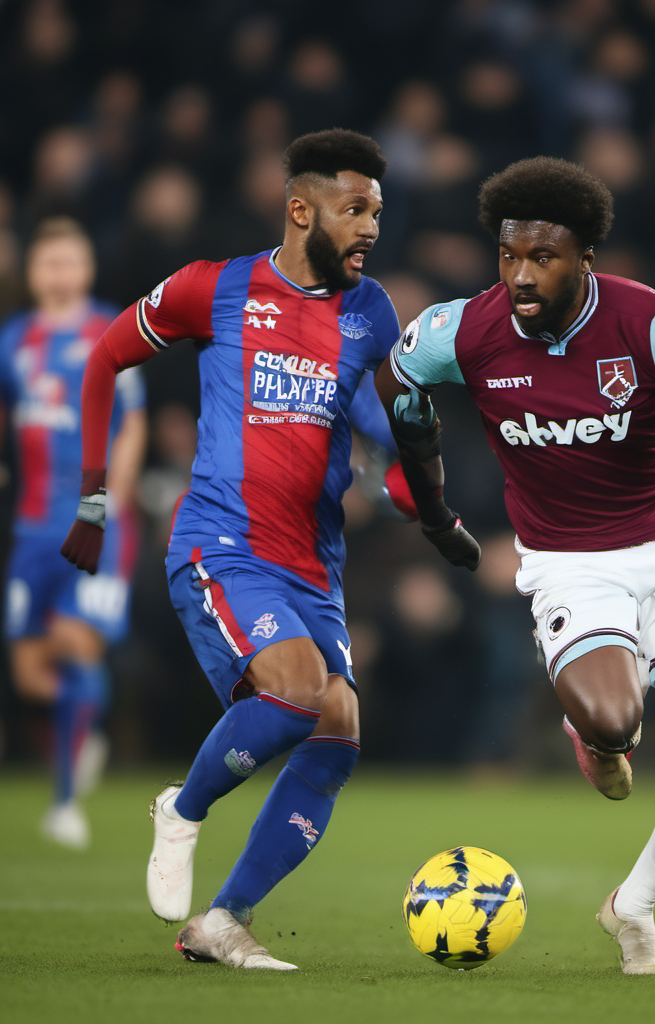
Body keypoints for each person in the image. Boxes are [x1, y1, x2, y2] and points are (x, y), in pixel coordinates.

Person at [376, 157, 655, 975]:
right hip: (568, 562)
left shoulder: (649, 320)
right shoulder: (460, 330)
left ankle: (633, 905)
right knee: (612, 720)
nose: (521, 275)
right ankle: (593, 729)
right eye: (509, 256)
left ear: (584, 258)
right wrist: (430, 496)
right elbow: (398, 385)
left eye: (543, 257)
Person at [61, 129, 401, 970]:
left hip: (314, 566)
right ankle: (182, 808)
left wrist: (403, 485)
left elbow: (370, 422)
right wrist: (94, 500)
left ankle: (224, 921)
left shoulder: (370, 311)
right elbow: (104, 360)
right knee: (296, 693)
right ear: (301, 210)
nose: (370, 226)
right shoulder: (212, 288)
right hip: (223, 544)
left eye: (377, 211)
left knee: (338, 732)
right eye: (355, 208)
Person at [0, 217, 146, 849]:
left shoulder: (111, 332)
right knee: (31, 674)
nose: (60, 273)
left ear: (87, 269)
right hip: (32, 526)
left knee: (75, 642)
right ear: (32, 272)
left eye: (71, 261)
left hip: (94, 518)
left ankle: (64, 804)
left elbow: (133, 421)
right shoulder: (13, 339)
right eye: (49, 262)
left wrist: (112, 498)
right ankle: (84, 727)